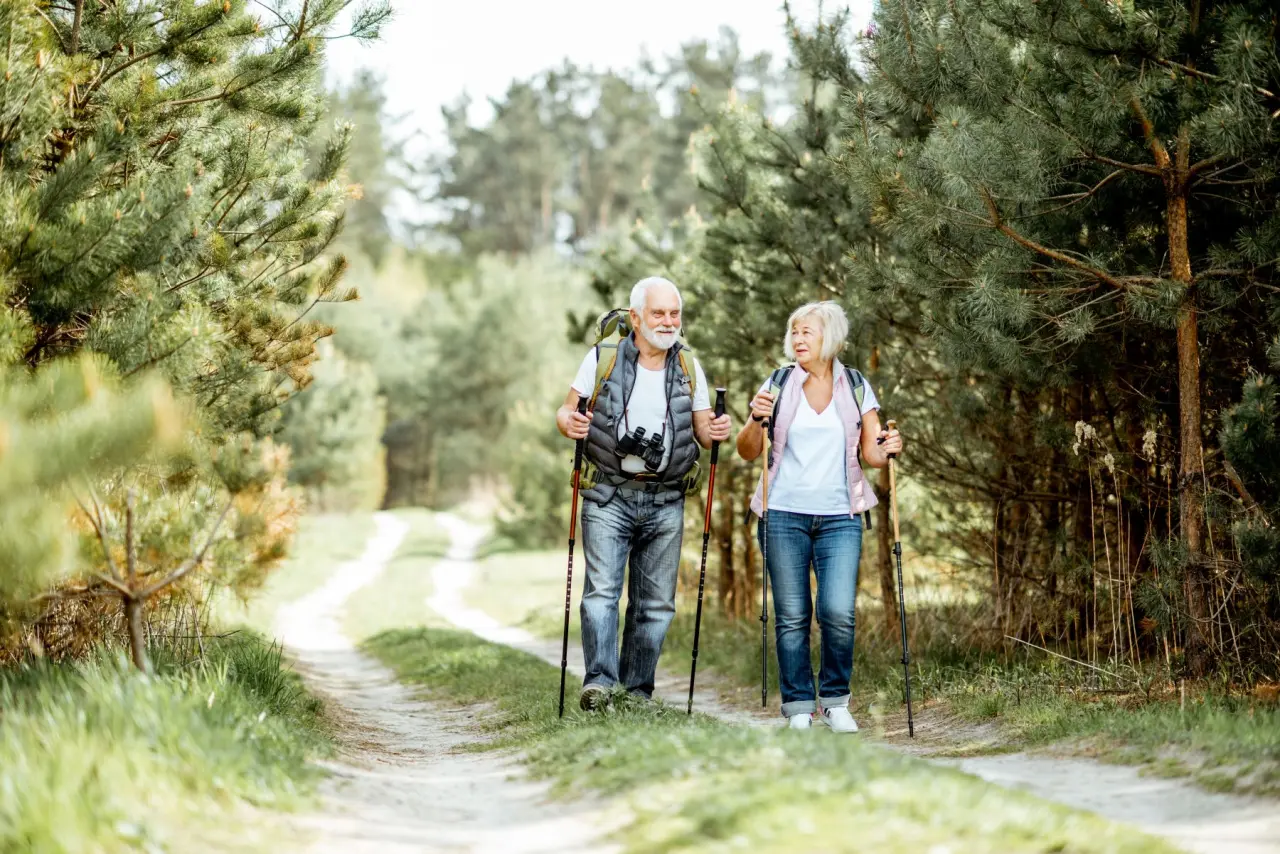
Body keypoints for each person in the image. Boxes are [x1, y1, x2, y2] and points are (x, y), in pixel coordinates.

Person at [556, 277, 732, 711]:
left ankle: (637, 693)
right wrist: (568, 422)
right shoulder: (603, 357)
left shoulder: (688, 365)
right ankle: (600, 685)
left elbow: (704, 431)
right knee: (602, 594)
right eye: (659, 313)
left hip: (666, 498)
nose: (669, 321)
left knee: (655, 604)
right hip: (607, 495)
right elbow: (566, 410)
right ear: (636, 318)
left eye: (674, 313)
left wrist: (718, 429)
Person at [736, 301, 903, 732]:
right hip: (782, 514)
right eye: (794, 332)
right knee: (792, 615)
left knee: (837, 611)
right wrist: (755, 418)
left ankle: (834, 701)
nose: (797, 339)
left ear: (830, 337)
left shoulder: (856, 385)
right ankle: (798, 706)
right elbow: (747, 450)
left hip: (839, 517)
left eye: (806, 332)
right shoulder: (777, 383)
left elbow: (872, 455)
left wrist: (888, 447)